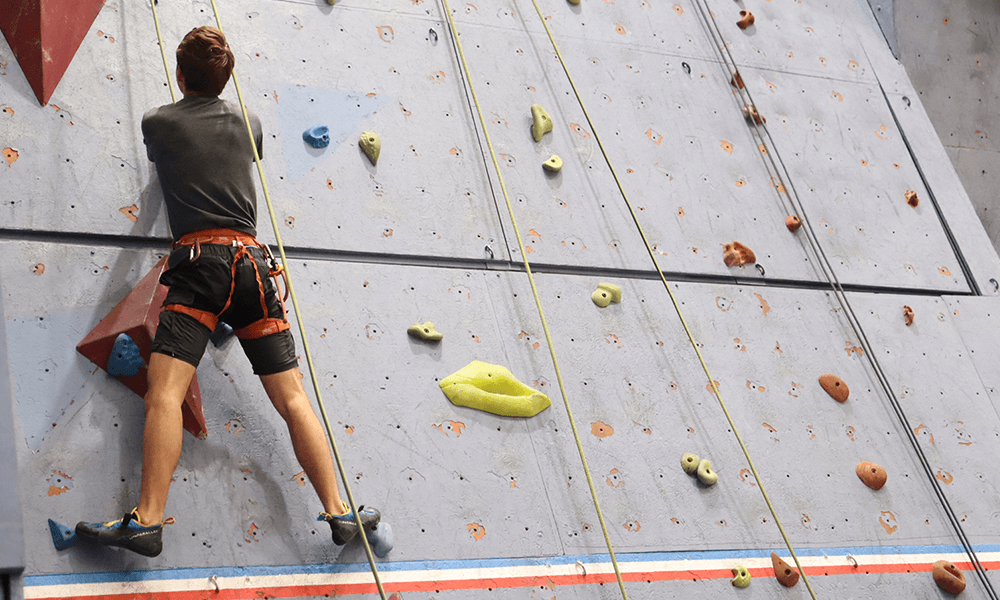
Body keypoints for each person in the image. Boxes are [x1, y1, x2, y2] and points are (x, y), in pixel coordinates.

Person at [75, 26, 378, 557]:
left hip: (201, 267)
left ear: (180, 75)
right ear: (225, 76)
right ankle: (339, 511)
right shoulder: (250, 121)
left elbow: (160, 160)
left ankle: (148, 519)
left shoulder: (159, 121)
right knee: (292, 398)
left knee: (166, 393)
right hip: (255, 268)